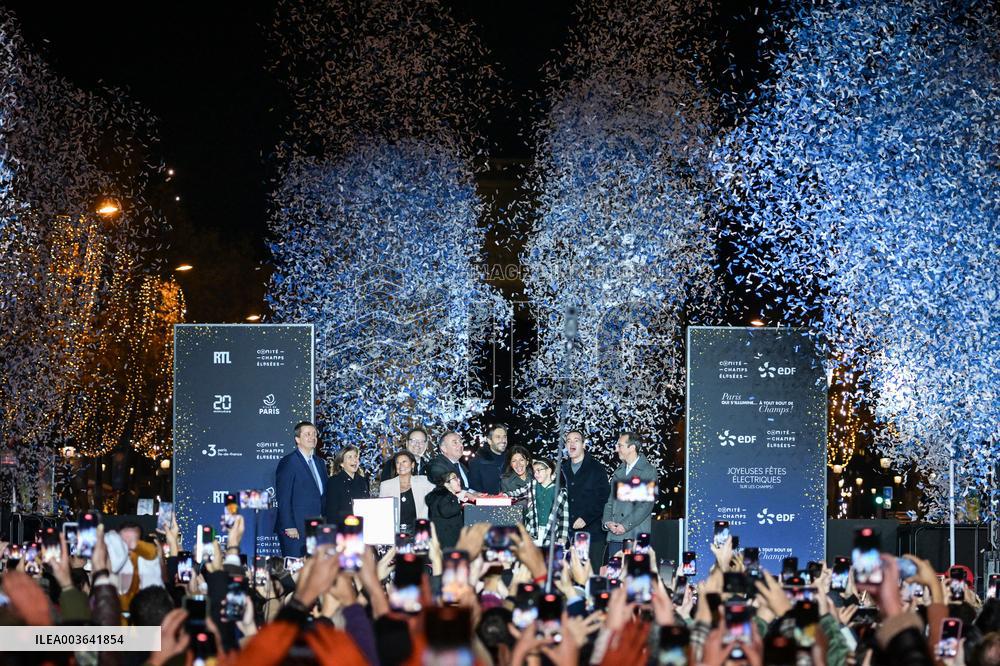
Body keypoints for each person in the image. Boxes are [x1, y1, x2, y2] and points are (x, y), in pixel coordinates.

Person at [601, 431, 656, 561]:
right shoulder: (618, 471)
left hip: (635, 535)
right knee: (614, 576)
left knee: (634, 578)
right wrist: (607, 522)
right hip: (615, 536)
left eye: (620, 446)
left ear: (632, 448)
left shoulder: (648, 471)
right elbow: (610, 502)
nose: (616, 449)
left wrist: (625, 525)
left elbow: (646, 505)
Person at [274, 421, 327, 556]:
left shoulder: (320, 462)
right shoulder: (289, 462)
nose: (312, 437)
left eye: (314, 434)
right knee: (295, 571)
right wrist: (289, 525)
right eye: (307, 434)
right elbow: (283, 497)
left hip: (316, 528)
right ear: (297, 439)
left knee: (313, 572)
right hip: (295, 529)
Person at [562, 430, 611, 563]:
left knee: (591, 576)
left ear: (584, 444)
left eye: (576, 440)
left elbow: (604, 498)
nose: (571, 443)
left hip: (593, 534)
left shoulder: (597, 468)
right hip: (568, 535)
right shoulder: (562, 469)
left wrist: (586, 518)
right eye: (568, 441)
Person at [505, 458, 570, 546]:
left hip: (551, 534)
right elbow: (518, 493)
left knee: (546, 558)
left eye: (539, 470)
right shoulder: (533, 485)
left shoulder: (560, 492)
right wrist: (505, 495)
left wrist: (562, 538)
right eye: (534, 471)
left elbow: (564, 516)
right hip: (533, 531)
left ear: (549, 471)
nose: (536, 474)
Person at [378, 450, 434, 532]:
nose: (401, 465)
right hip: (394, 533)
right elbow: (382, 512)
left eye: (404, 461)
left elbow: (441, 491)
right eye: (398, 462)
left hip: (419, 531)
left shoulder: (423, 481)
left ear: (412, 465)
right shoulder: (386, 485)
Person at [324, 445, 370, 526]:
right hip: (343, 529)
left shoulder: (363, 481)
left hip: (362, 527)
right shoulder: (334, 482)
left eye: (356, 457)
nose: (354, 460)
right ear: (342, 463)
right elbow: (331, 513)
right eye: (350, 457)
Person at [425, 470, 470, 548]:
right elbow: (445, 511)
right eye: (455, 479)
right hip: (448, 541)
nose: (459, 480)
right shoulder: (445, 496)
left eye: (458, 478)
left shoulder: (442, 496)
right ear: (446, 484)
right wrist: (462, 506)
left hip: (444, 540)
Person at [468, 423, 508, 494]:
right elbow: (475, 491)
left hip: (512, 503)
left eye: (504, 437)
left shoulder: (511, 460)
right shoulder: (477, 463)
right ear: (489, 441)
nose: (503, 440)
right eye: (498, 437)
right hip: (488, 503)